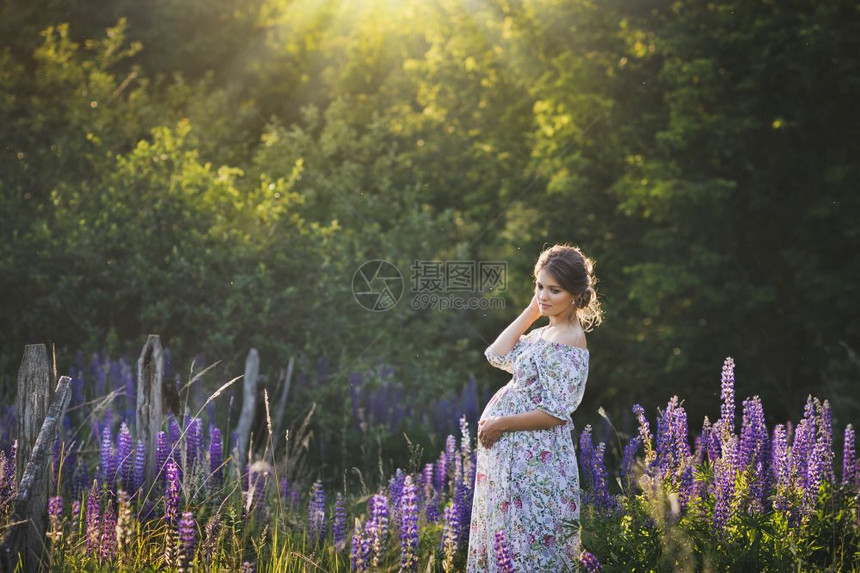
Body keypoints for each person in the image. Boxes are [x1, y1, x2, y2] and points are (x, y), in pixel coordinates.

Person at [467, 243, 603, 572]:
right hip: (515, 457)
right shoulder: (547, 331)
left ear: (576, 295)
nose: (544, 295)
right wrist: (531, 310)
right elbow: (496, 354)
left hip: (535, 463)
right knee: (508, 541)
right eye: (539, 286)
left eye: (554, 290)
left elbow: (556, 413)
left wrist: (501, 423)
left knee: (530, 543)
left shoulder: (569, 339)